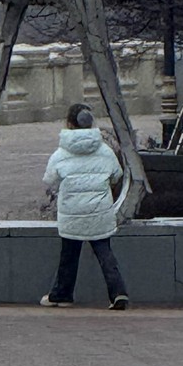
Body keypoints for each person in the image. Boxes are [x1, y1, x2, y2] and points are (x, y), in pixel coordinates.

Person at [40, 102, 129, 310]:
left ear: (69, 124)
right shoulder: (104, 151)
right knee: (105, 253)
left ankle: (62, 294)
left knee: (69, 256)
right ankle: (118, 293)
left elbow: (49, 179)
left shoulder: (61, 153)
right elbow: (117, 174)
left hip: (72, 212)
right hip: (100, 210)